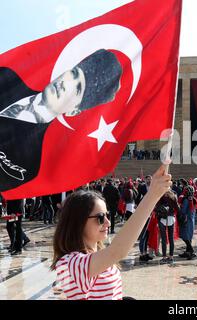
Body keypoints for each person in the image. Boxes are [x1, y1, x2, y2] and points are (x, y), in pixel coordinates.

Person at [0, 49, 123, 192]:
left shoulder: (28, 162)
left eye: (77, 89)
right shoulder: (6, 77)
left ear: (74, 111)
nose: (66, 84)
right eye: (74, 73)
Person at [50, 163, 171, 300]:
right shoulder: (69, 263)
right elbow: (117, 251)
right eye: (100, 218)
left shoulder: (94, 254)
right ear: (78, 222)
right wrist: (152, 196)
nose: (107, 222)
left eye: (107, 215)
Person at [155, 190, 180, 264]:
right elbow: (178, 208)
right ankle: (171, 257)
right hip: (171, 218)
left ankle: (164, 257)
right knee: (171, 238)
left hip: (162, 219)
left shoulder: (161, 195)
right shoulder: (173, 196)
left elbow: (157, 207)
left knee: (163, 239)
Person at [178, 186, 197, 260]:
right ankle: (187, 252)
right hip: (191, 220)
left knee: (185, 236)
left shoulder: (186, 200)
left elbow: (183, 211)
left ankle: (191, 251)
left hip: (186, 220)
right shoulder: (194, 199)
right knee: (188, 237)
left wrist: (179, 207)